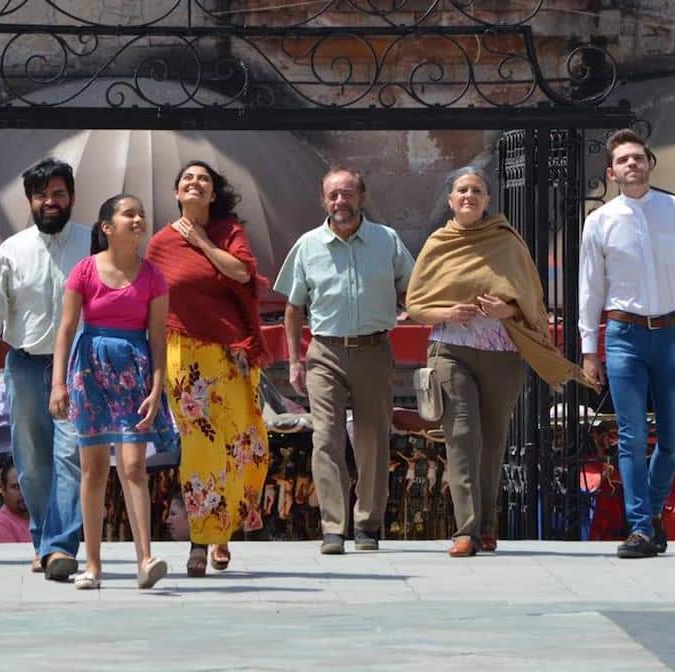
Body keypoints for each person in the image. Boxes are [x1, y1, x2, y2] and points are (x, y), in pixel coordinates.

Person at [404, 167, 596, 557]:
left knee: (492, 444)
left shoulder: (507, 243)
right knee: (461, 437)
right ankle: (466, 531)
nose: (469, 196)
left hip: (502, 356)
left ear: (488, 200)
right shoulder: (438, 243)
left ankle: (488, 528)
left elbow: (531, 302)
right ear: (451, 200)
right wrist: (447, 313)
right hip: (450, 352)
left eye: (477, 190)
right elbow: (415, 304)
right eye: (462, 190)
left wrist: (504, 307)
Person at [579, 129, 675, 559]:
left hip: (672, 334)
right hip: (623, 336)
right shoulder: (599, 221)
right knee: (632, 437)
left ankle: (652, 513)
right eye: (623, 160)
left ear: (651, 163)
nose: (632, 164)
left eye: (638, 157)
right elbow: (590, 290)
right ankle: (639, 527)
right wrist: (589, 350)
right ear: (611, 172)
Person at [273, 166, 415, 555]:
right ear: (324, 200)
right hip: (325, 353)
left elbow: (413, 289)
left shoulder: (387, 241)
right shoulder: (308, 245)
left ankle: (368, 526)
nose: (340, 201)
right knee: (326, 438)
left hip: (374, 350)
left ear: (361, 197)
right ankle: (333, 528)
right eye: (333, 194)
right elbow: (293, 308)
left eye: (347, 193)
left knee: (372, 440)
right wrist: (294, 361)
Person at [145, 160, 270, 576]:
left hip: (232, 355)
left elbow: (241, 272)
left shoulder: (228, 231)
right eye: (187, 179)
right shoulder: (160, 244)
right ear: (178, 192)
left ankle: (223, 531)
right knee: (201, 447)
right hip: (185, 358)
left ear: (213, 194)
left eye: (204, 180)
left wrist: (200, 241)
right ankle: (200, 541)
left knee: (243, 446)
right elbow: (151, 306)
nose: (195, 184)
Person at [50, 194, 174, 590]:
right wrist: (58, 384)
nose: (138, 219)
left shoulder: (153, 276)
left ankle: (145, 559)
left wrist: (157, 387)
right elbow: (66, 329)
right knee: (94, 468)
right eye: (129, 214)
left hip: (134, 372)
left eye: (141, 214)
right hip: (90, 370)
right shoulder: (84, 271)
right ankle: (93, 564)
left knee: (134, 465)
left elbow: (158, 337)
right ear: (107, 227)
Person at [0, 158, 85, 580]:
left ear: (71, 197)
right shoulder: (11, 251)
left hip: (77, 367)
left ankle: (59, 547)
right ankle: (44, 540)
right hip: (23, 366)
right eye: (42, 195)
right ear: (30, 201)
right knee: (33, 464)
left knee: (70, 456)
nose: (50, 202)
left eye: (58, 193)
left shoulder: (94, 244)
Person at [0, 465, 32, 543]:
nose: (23, 492)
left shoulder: (47, 519)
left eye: (27, 485)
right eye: (16, 487)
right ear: (3, 490)